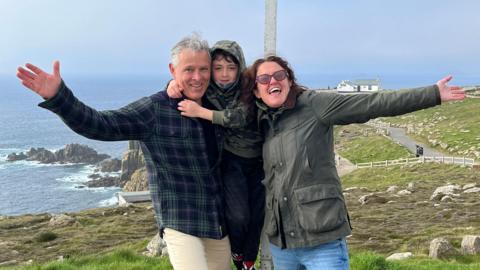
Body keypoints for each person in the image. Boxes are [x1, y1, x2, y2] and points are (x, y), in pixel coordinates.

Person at [16, 34, 231, 270]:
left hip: (216, 222)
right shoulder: (154, 109)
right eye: (189, 69)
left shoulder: (216, 107)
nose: (197, 77)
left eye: (203, 69)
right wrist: (59, 97)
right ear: (173, 69)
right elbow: (101, 124)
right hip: (180, 221)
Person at [240, 55, 465, 270]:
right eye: (264, 79)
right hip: (283, 246)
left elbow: (373, 103)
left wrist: (433, 94)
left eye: (279, 75)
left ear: (289, 80)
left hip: (322, 238)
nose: (273, 81)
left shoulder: (315, 105)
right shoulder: (263, 121)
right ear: (257, 92)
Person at [167, 40, 264, 270]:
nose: (224, 74)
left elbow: (240, 117)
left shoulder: (248, 87)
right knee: (239, 216)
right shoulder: (207, 87)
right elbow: (189, 81)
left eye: (231, 68)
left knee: (259, 213)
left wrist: (200, 112)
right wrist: (171, 84)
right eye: (218, 68)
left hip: (260, 160)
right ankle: (238, 255)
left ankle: (248, 260)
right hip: (231, 160)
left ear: (240, 68)